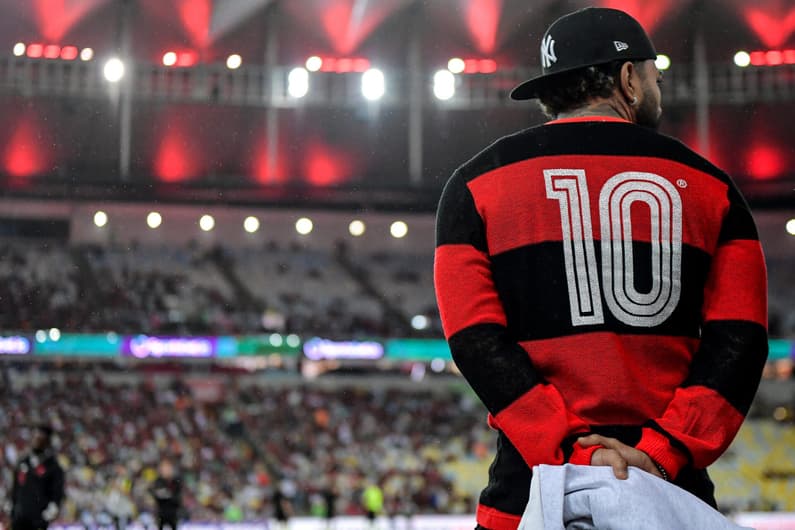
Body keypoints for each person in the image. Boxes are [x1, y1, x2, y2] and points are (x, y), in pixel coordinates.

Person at [433, 7, 768, 530]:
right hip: (672, 496)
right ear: (629, 79)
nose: (658, 86)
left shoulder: (475, 185)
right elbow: (740, 343)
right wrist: (661, 451)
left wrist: (567, 447)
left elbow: (475, 342)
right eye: (655, 75)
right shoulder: (714, 188)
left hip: (528, 495)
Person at [9, 425, 65, 530]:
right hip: (19, 518)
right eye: (35, 436)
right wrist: (12, 507)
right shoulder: (23, 462)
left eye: (40, 437)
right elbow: (15, 488)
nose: (36, 439)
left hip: (38, 520)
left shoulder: (53, 466)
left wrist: (50, 512)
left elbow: (57, 493)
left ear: (47, 441)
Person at [148, 459, 182, 530]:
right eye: (163, 467)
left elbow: (177, 498)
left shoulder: (175, 481)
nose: (165, 470)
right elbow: (153, 493)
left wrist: (166, 494)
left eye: (167, 467)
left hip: (173, 513)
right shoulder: (158, 481)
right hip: (161, 512)